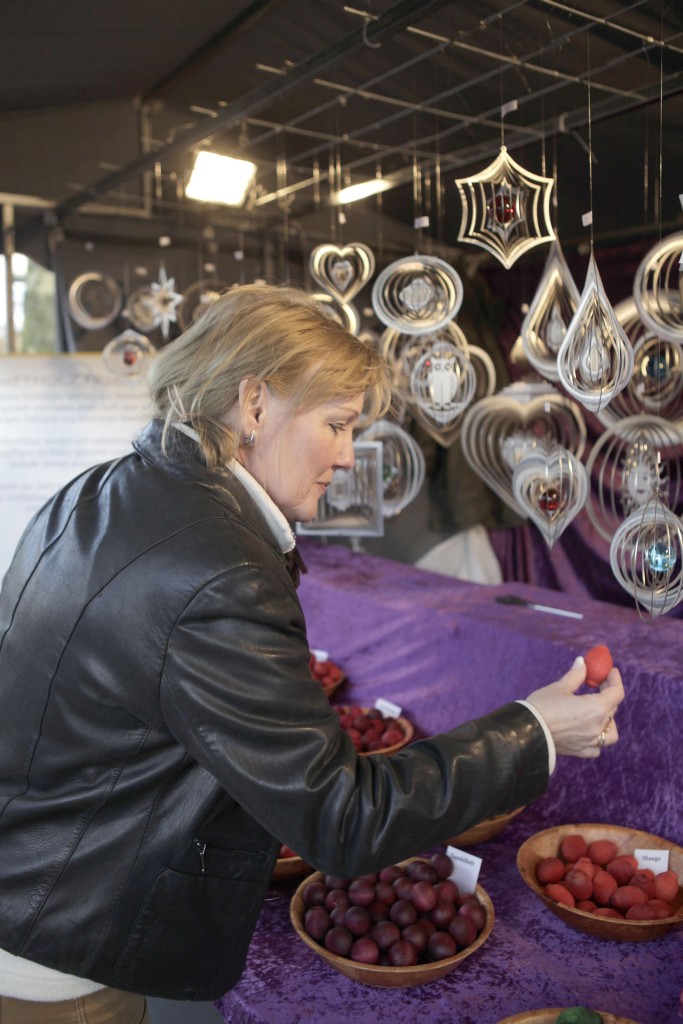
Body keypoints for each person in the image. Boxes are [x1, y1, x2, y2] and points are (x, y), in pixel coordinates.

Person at [0, 283, 624, 1021]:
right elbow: (343, 819)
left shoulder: (97, 489)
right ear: (254, 404)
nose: (348, 456)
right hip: (58, 957)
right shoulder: (218, 568)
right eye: (335, 424)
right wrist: (537, 731)